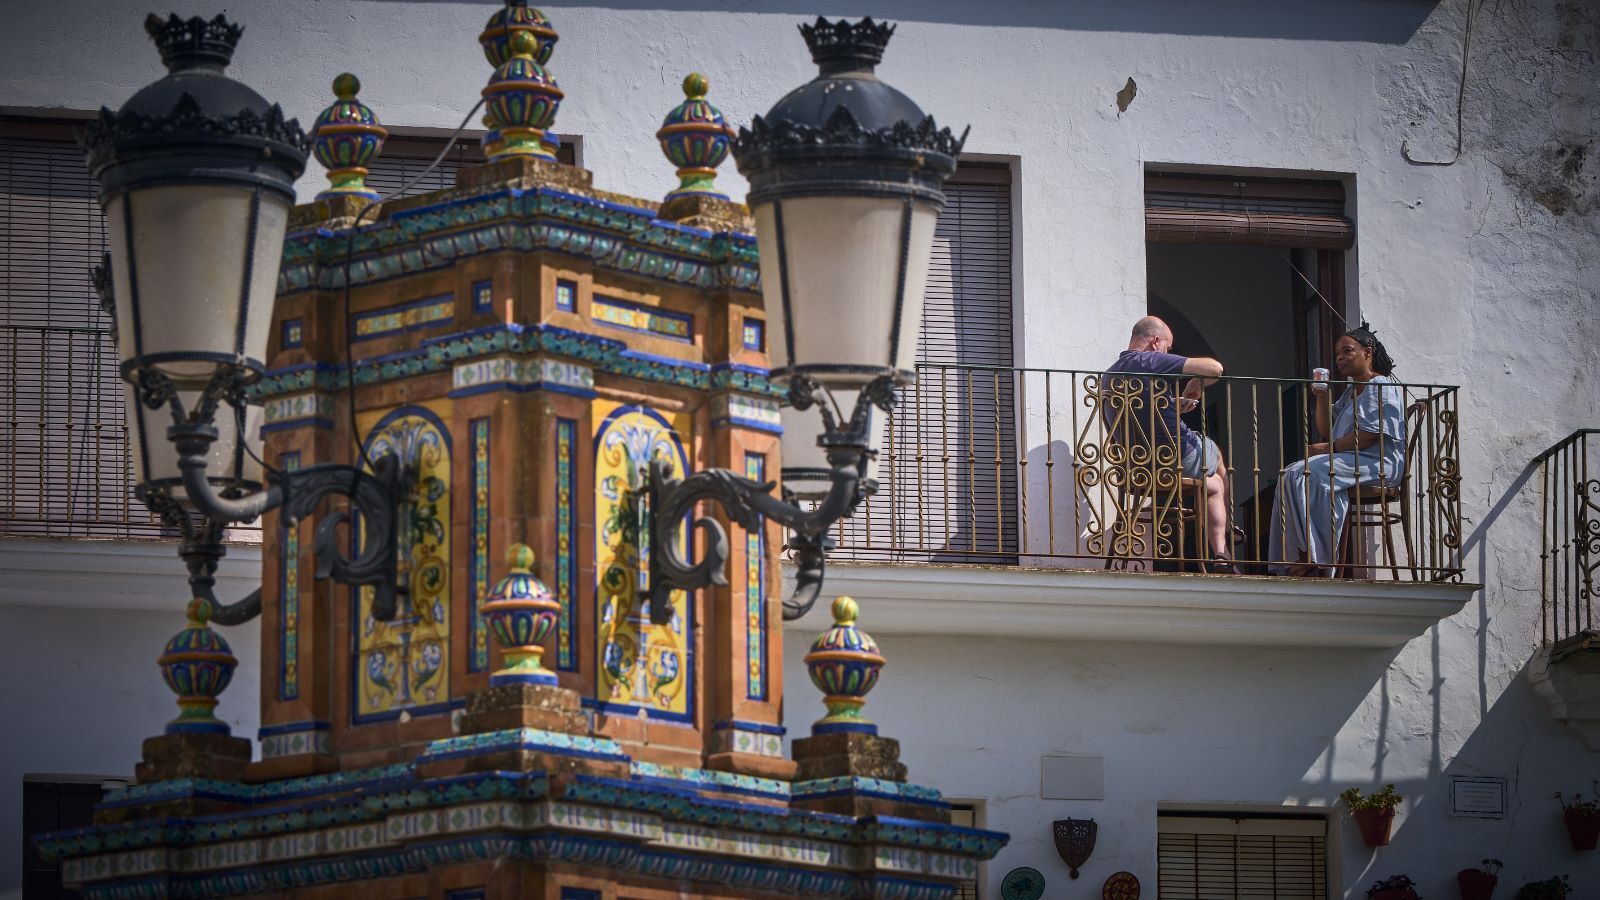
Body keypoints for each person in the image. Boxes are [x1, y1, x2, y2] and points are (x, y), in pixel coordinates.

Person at [1269, 325, 1407, 577]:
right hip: (1353, 460)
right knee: (1291, 472)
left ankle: (1319, 557)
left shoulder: (1380, 385)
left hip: (1377, 463)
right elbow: (1327, 429)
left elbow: (1369, 435)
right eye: (1337, 354)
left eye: (1347, 351)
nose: (1340, 357)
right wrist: (1321, 397)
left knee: (1310, 473)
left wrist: (1327, 449)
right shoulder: (1352, 391)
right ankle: (1301, 551)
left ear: (1368, 353)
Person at [1102, 316, 1235, 571]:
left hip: (1135, 467)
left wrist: (1174, 406)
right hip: (1172, 460)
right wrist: (1197, 381)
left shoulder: (1112, 374)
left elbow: (1138, 413)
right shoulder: (1149, 359)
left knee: (1213, 482)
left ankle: (1224, 545)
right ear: (1155, 341)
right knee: (1215, 457)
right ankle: (1224, 545)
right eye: (1168, 347)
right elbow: (1215, 369)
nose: (1167, 353)